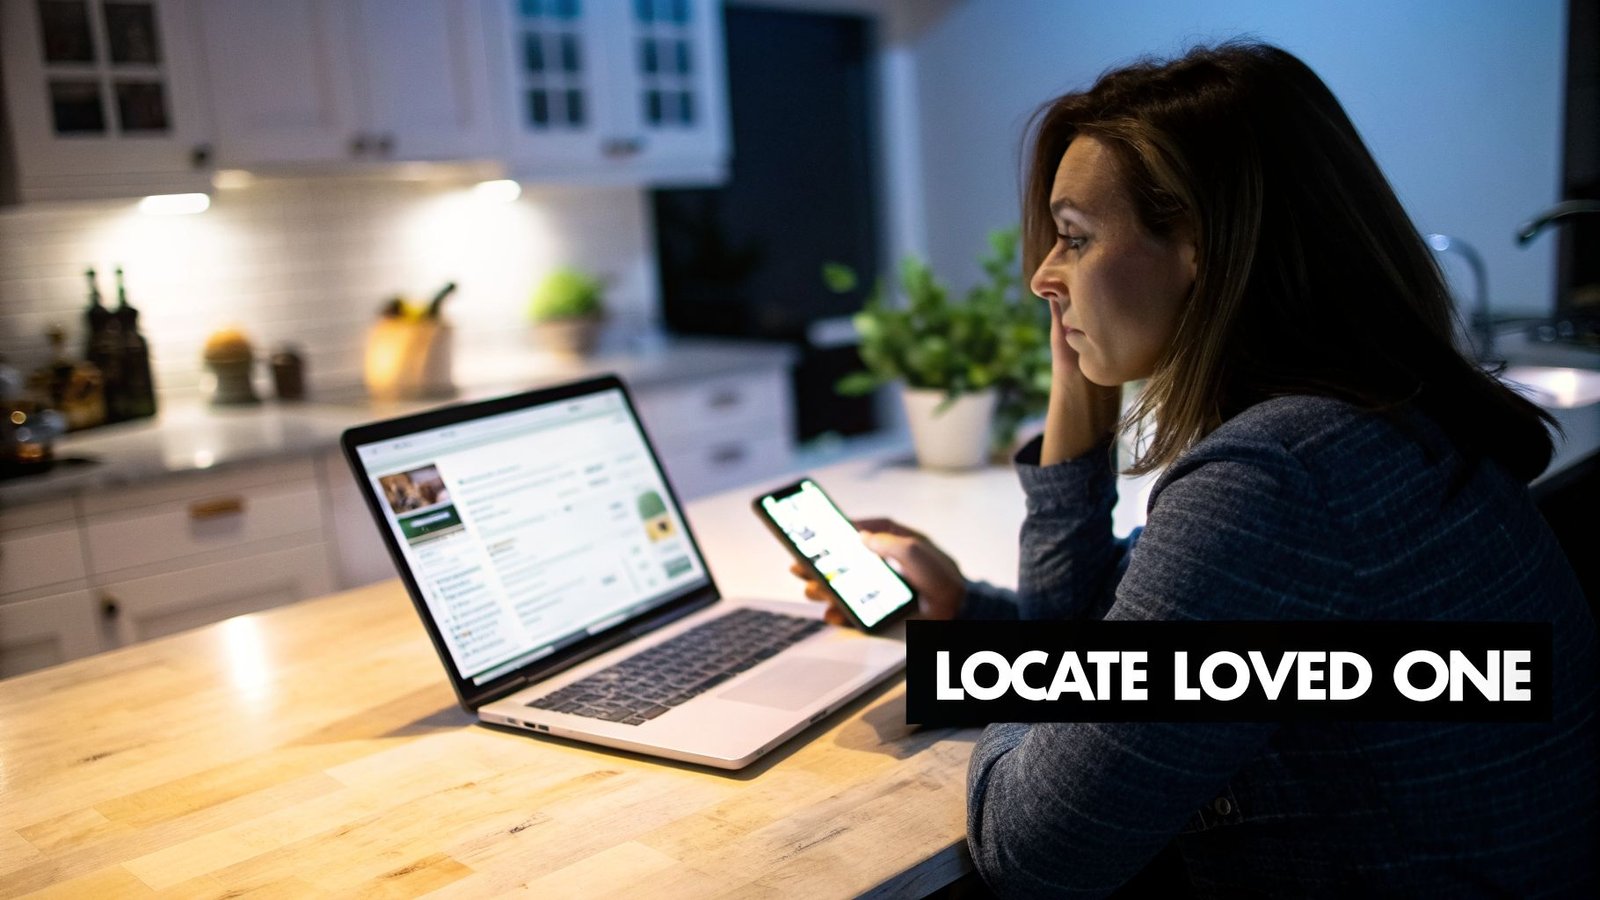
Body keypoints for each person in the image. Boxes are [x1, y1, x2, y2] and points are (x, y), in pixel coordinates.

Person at [793, 42, 1598, 897]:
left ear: (1202, 249)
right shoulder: (1379, 418)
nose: (1041, 278)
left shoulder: (1277, 481)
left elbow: (1035, 850)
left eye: (1074, 238)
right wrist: (972, 615)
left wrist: (994, 674)